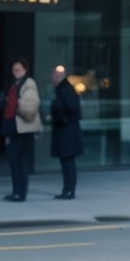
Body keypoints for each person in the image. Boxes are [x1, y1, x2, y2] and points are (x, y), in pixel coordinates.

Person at [0, 57, 42, 201]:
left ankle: (19, 193)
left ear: (25, 69)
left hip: (23, 128)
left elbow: (29, 107)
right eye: (14, 69)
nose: (15, 71)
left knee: (18, 160)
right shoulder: (16, 83)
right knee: (15, 160)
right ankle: (17, 191)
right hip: (15, 127)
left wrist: (12, 103)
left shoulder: (28, 83)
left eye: (18, 69)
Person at [50, 65, 84, 199]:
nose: (51, 78)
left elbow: (74, 111)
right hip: (66, 132)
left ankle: (69, 191)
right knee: (67, 162)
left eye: (54, 76)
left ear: (59, 77)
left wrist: (62, 119)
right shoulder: (63, 90)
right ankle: (68, 190)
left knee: (68, 163)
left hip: (67, 133)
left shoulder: (66, 90)